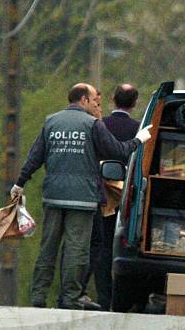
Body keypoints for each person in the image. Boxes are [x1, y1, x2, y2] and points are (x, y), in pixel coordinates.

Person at [10, 83, 152, 310]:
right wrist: (139, 140)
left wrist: (20, 183)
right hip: (82, 198)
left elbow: (35, 156)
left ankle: (38, 294)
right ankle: (71, 296)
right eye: (95, 100)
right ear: (84, 100)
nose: (97, 104)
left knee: (48, 246)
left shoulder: (51, 122)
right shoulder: (92, 124)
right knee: (77, 248)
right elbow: (117, 151)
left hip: (54, 195)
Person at [86, 84, 140, 310]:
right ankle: (125, 300)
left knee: (102, 246)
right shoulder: (139, 128)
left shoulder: (100, 124)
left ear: (111, 99)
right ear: (135, 103)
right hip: (129, 197)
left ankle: (104, 297)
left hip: (103, 195)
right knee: (128, 247)